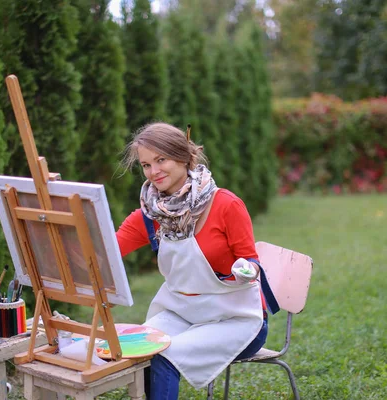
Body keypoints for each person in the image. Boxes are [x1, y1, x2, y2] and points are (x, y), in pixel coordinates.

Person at [116, 122, 273, 400]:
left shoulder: (226, 204)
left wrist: (247, 270)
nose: (154, 172)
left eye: (161, 160)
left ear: (183, 157)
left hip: (237, 319)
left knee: (164, 356)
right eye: (146, 165)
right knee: (142, 349)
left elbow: (250, 259)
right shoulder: (149, 215)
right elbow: (106, 252)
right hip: (182, 313)